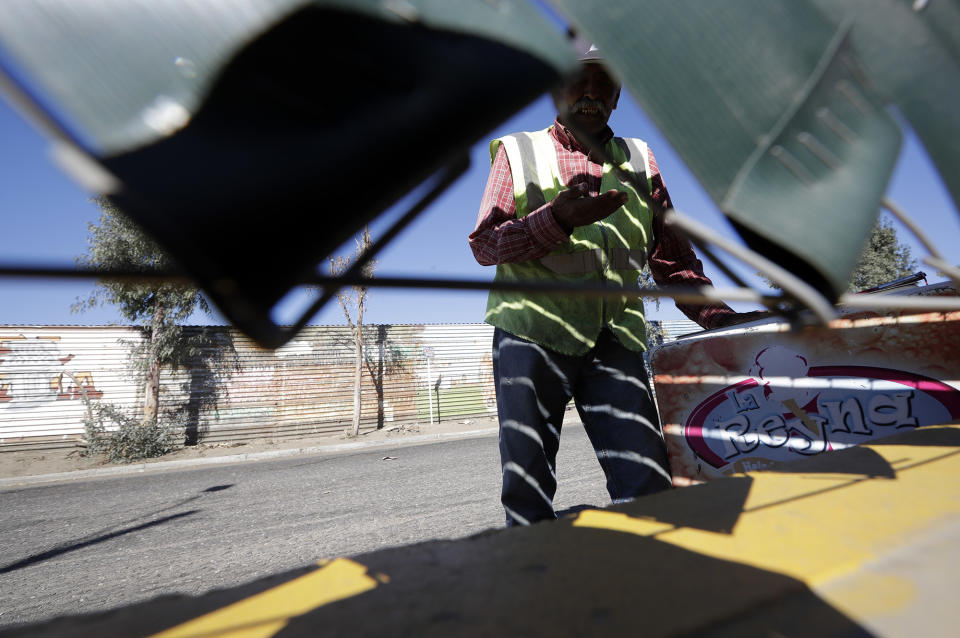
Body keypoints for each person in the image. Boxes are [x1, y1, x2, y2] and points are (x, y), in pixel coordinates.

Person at [469, 45, 758, 526]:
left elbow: (673, 258)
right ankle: (536, 580)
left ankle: (652, 577)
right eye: (578, 81)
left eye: (604, 84)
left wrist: (720, 318)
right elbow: (485, 246)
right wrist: (555, 220)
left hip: (615, 340)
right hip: (530, 336)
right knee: (527, 482)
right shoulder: (519, 153)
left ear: (619, 96)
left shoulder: (641, 161)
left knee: (646, 477)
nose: (590, 93)